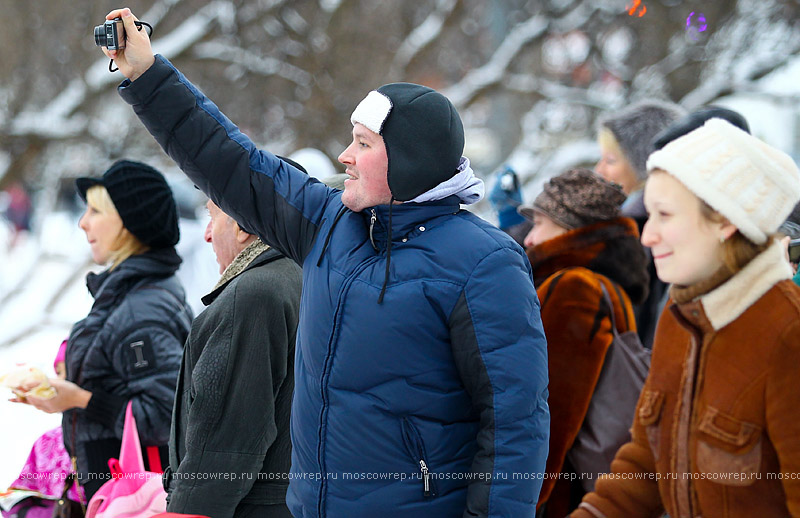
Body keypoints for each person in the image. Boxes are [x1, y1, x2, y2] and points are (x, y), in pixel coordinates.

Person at [100, 8, 550, 518]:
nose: (345, 156)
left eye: (363, 143)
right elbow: (232, 162)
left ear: (408, 162)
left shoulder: (485, 263)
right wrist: (148, 73)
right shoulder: (330, 226)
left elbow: (516, 424)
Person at [570, 119, 800, 517]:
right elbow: (646, 460)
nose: (646, 235)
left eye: (665, 215)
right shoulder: (680, 318)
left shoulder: (787, 335)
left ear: (726, 221)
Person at [13, 160, 193, 500]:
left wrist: (77, 398)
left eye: (95, 210)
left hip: (137, 498)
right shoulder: (132, 292)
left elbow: (164, 415)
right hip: (117, 493)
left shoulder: (143, 309)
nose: (83, 223)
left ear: (129, 221)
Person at [517, 169, 649, 517]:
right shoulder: (605, 283)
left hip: (567, 492)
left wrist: (530, 500)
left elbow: (555, 411)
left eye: (540, 223)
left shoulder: (574, 287)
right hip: (595, 481)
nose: (530, 239)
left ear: (571, 229)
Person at [165, 197, 302, 518]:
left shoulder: (252, 295)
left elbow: (225, 443)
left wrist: (186, 512)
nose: (207, 234)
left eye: (213, 218)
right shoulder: (295, 272)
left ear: (241, 226)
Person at [595, 101, 685, 349]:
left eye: (611, 160)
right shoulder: (624, 221)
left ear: (643, 164)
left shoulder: (640, 228)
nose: (599, 170)